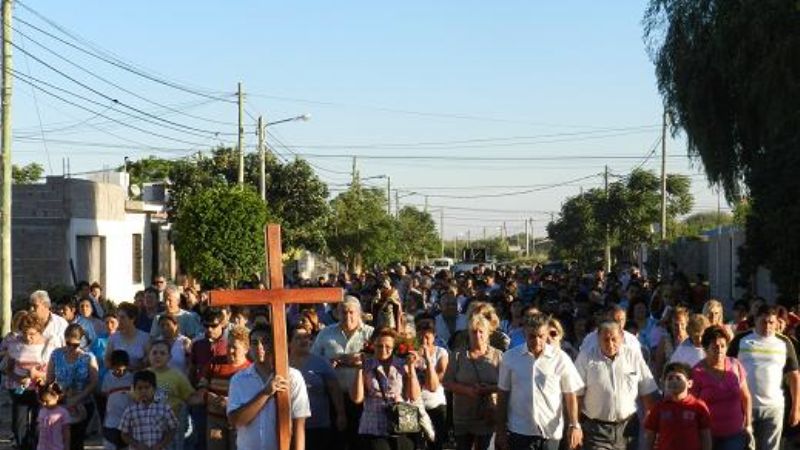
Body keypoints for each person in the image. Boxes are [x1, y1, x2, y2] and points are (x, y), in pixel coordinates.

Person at [495, 314, 584, 450]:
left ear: (547, 333)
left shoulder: (560, 358)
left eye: (541, 336)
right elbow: (502, 395)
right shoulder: (510, 358)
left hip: (550, 432)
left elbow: (570, 394)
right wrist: (500, 429)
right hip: (520, 431)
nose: (537, 341)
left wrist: (574, 424)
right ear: (524, 334)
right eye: (532, 336)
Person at [575, 320, 658, 450]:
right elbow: (577, 394)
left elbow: (647, 390)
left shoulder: (633, 356)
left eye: (614, 339)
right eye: (606, 340)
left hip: (628, 428)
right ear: (598, 339)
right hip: (596, 429)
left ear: (622, 338)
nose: (610, 344)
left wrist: (652, 426)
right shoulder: (586, 357)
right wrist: (575, 425)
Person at [728, 305, 800, 450]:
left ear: (777, 322)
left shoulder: (784, 343)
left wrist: (796, 408)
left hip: (774, 409)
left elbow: (794, 376)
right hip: (744, 407)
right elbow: (726, 369)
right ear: (755, 320)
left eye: (771, 322)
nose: (768, 326)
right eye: (763, 322)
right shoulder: (741, 340)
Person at [227, 325, 311, 450]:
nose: (259, 347)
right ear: (249, 348)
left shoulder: (293, 376)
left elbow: (299, 424)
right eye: (254, 343)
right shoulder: (239, 379)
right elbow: (235, 421)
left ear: (274, 344)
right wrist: (265, 393)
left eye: (265, 342)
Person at [311, 296, 374, 450]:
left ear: (359, 313)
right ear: (337, 313)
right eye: (344, 312)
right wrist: (330, 363)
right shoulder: (325, 334)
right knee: (337, 441)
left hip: (364, 397)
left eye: (352, 312)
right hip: (333, 396)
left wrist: (354, 361)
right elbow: (314, 360)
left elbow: (379, 361)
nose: (348, 316)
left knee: (361, 441)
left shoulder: (371, 334)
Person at [350, 327, 421, 450]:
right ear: (373, 346)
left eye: (388, 347)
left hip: (401, 423)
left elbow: (414, 396)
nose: (383, 350)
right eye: (379, 346)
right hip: (373, 426)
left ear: (394, 347)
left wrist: (411, 368)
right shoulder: (366, 365)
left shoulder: (402, 364)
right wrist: (358, 369)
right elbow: (357, 398)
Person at [442, 313, 503, 450]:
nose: (477, 335)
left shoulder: (498, 356)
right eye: (474, 332)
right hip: (463, 416)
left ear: (488, 334)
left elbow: (506, 385)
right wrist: (467, 391)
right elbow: (447, 382)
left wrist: (488, 389)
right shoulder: (458, 355)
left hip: (488, 415)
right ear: (468, 333)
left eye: (481, 331)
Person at [691, 326, 752, 450]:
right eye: (715, 347)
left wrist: (748, 424)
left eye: (723, 346)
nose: (719, 350)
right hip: (707, 436)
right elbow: (691, 405)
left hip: (734, 434)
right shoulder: (696, 372)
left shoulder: (735, 365)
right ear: (705, 348)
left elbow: (746, 397)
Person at [289, 326, 346, 450]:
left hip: (318, 425)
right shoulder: (282, 363)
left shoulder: (321, 362)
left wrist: (340, 414)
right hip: (289, 426)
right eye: (298, 338)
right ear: (289, 342)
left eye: (307, 337)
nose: (304, 341)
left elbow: (334, 389)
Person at [45, 324, 99, 450]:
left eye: (75, 345)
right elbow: (50, 379)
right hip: (61, 402)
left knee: (76, 440)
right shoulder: (56, 354)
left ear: (81, 341)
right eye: (68, 343)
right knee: (60, 441)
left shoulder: (88, 357)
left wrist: (78, 398)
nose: (70, 348)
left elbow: (94, 382)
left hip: (83, 403)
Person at [6, 313, 56, 449]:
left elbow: (52, 373)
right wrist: (19, 378)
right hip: (19, 388)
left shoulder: (49, 344)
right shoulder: (15, 343)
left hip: (40, 390)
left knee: (38, 425)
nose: (28, 338)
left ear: (39, 331)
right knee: (18, 424)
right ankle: (22, 445)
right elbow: (8, 369)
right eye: (25, 333)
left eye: (32, 334)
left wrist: (37, 374)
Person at [200, 326, 251, 450]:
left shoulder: (250, 369)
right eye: (229, 346)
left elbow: (252, 398)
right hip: (215, 421)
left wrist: (229, 402)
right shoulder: (214, 363)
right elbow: (201, 388)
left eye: (235, 347)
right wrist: (210, 397)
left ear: (246, 349)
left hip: (238, 424)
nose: (230, 350)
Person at [644, 362, 712, 450]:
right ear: (664, 383)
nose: (674, 381)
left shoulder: (698, 406)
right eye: (670, 378)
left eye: (678, 378)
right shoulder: (659, 407)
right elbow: (650, 436)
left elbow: (705, 436)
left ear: (689, 383)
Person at [148, 340, 202, 450]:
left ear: (169, 357)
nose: (158, 356)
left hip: (171, 426)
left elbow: (189, 396)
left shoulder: (177, 376)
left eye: (162, 353)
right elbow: (135, 397)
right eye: (154, 353)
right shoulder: (143, 375)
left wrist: (204, 397)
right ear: (149, 355)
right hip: (149, 425)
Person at [188, 308, 229, 450]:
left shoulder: (230, 344)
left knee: (222, 439)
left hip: (223, 399)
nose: (210, 329)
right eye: (206, 326)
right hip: (202, 398)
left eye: (214, 325)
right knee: (201, 437)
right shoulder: (198, 344)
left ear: (222, 324)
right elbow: (192, 369)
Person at [119, 370, 178, 450]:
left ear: (154, 389)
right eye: (139, 388)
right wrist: (137, 444)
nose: (143, 391)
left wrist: (161, 444)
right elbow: (124, 434)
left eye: (147, 387)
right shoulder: (130, 411)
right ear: (134, 389)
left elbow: (173, 429)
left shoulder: (165, 409)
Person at [415, 321, 449, 450]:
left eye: (427, 337)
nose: (423, 341)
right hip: (415, 405)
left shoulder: (441, 353)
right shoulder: (410, 352)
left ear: (434, 336)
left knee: (436, 444)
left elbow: (434, 385)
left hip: (435, 404)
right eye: (420, 337)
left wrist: (428, 359)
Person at [100, 350, 133, 450]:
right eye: (117, 370)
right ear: (112, 366)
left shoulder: (132, 378)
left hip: (128, 422)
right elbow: (105, 395)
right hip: (111, 422)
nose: (120, 373)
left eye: (123, 370)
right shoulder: (107, 378)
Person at [105, 302, 150, 372]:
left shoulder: (145, 338)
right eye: (118, 317)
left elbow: (149, 361)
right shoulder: (113, 338)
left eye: (123, 317)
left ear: (132, 318)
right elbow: (107, 359)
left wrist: (138, 367)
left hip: (137, 378)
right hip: (116, 378)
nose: (119, 320)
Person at [36, 381, 71, 450]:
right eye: (42, 401)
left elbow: (66, 432)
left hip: (57, 446)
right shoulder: (42, 411)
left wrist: (67, 446)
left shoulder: (62, 412)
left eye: (47, 401)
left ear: (56, 397)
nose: (44, 404)